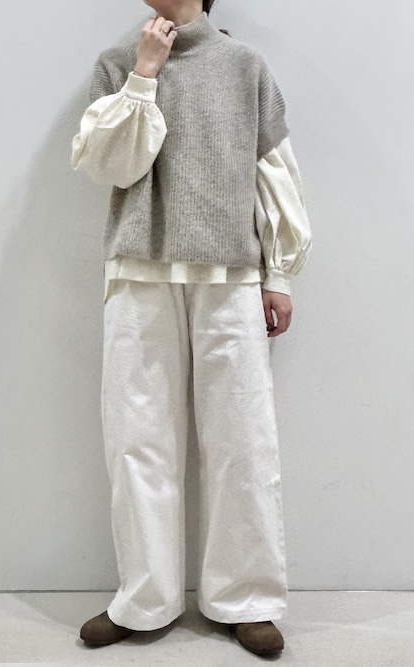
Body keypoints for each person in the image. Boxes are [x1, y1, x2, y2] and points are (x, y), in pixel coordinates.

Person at [71, 0, 312, 657]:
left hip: (230, 274)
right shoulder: (118, 62)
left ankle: (248, 599)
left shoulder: (244, 66)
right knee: (137, 438)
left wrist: (279, 273)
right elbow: (107, 166)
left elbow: (275, 175)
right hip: (139, 271)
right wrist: (144, 74)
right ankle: (144, 599)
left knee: (243, 437)